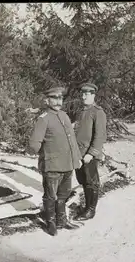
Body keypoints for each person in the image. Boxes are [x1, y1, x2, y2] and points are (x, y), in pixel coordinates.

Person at [28, 86, 82, 236]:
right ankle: (51, 222)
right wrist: (44, 155)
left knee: (63, 194)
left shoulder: (64, 116)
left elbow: (72, 141)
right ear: (47, 100)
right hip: (52, 166)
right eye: (54, 98)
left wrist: (76, 159)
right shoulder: (43, 119)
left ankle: (62, 220)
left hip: (66, 164)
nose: (58, 102)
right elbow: (34, 144)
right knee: (51, 196)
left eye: (60, 98)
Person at [72, 82, 107, 221]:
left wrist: (91, 154)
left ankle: (90, 210)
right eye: (82, 93)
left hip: (89, 155)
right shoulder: (82, 112)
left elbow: (100, 136)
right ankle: (86, 206)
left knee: (91, 181)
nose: (83, 96)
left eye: (87, 94)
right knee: (83, 180)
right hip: (80, 153)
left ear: (93, 95)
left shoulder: (98, 112)